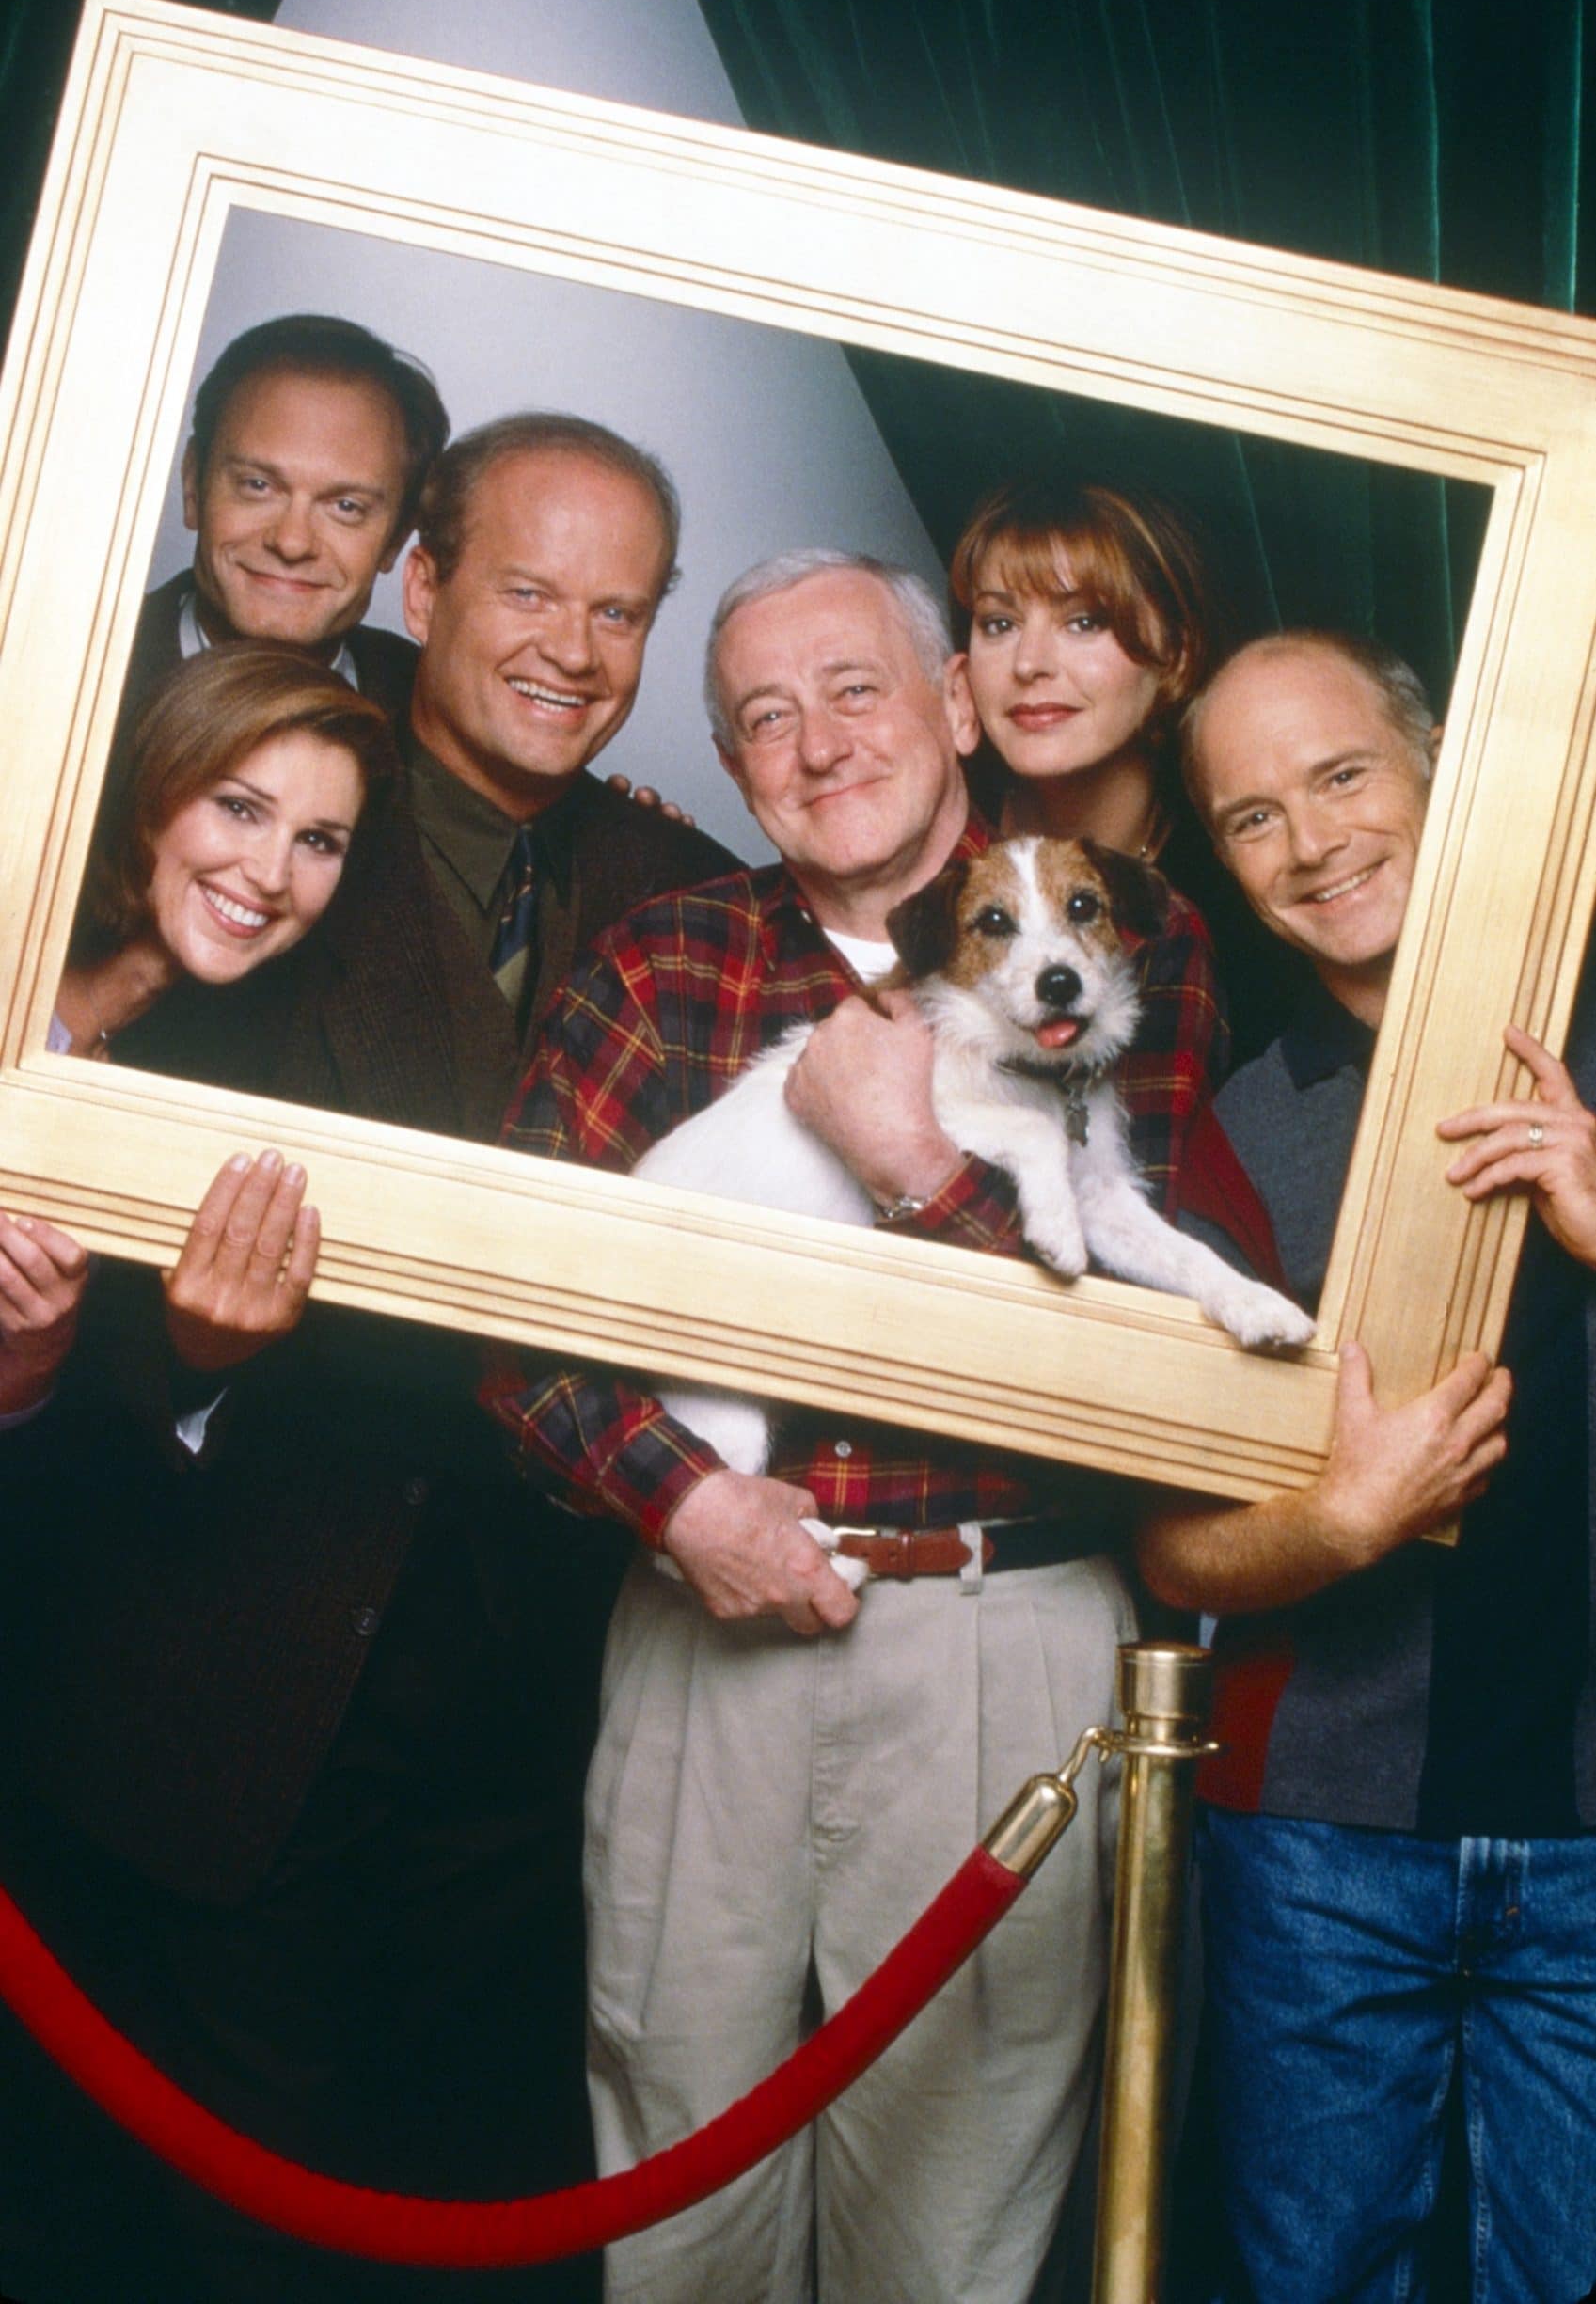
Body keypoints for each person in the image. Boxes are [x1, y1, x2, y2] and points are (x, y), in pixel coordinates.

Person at [0, 418, 735, 2304]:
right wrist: (184, 1369)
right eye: (524, 592)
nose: (571, 649)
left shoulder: (670, 892)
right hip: (213, 1678)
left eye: (620, 611)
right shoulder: (264, 827)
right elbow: (71, 1165)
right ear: (418, 591)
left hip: (513, 1722)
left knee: (446, 2228)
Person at [482, 546, 1227, 2304]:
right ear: (734, 768)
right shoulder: (668, 957)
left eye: (854, 689)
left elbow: (1144, 1359)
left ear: (953, 705)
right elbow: (508, 1306)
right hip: (702, 1623)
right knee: (679, 2173)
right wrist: (684, 1510)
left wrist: (908, 1166)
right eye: (762, 718)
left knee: (955, 2205)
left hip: (1005, 1624)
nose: (813, 745)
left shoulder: (1130, 942)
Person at [1136, 630, 1594, 2303]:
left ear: (1440, 771)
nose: (1312, 842)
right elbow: (1169, 1553)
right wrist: (1336, 1526)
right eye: (1251, 816)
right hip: (1317, 1845)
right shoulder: (1225, 1136)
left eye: (1340, 777)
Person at [2, 641, 395, 1422]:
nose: (272, 874)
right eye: (240, 808)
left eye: (318, 841)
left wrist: (31, 1359)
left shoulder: (199, 1105)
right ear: (155, 793)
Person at [948, 473, 1307, 1062]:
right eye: (999, 623)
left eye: (1084, 620)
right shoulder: (939, 850)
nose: (1029, 662)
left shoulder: (1233, 902)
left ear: (1175, 656)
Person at [124, 314, 450, 718]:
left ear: (397, 539)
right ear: (193, 486)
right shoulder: (67, 665)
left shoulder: (436, 709)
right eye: (257, 486)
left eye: (345, 507)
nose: (291, 543)